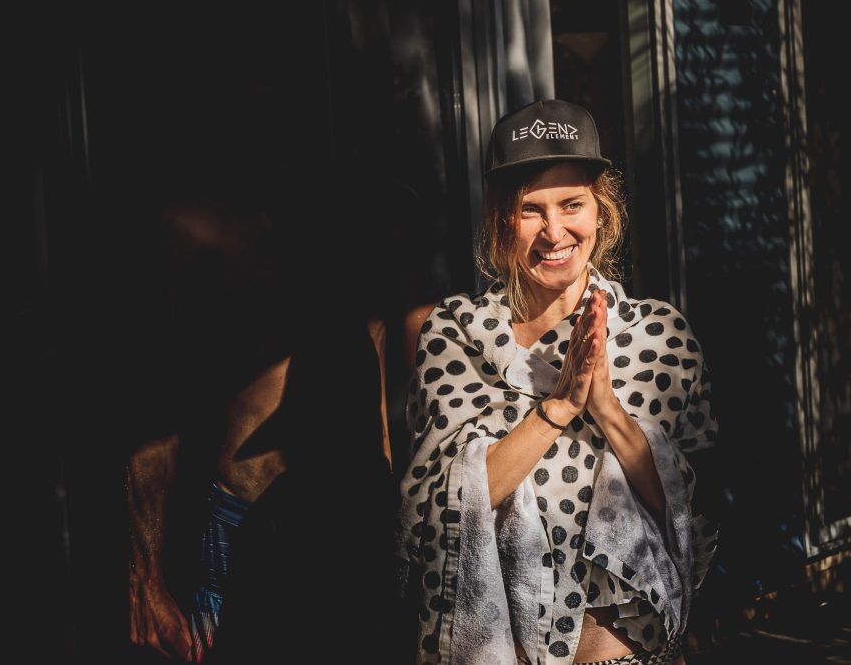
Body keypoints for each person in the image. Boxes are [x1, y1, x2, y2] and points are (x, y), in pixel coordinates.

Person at [397, 99, 718, 665]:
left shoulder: (657, 335)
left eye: (572, 204)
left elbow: (687, 511)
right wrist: (561, 406)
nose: (554, 232)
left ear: (601, 210)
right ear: (501, 216)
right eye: (530, 209)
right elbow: (438, 510)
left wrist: (608, 409)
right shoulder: (455, 333)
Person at [127, 198, 399, 663]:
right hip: (241, 538)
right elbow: (153, 434)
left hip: (346, 545)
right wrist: (146, 580)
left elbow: (379, 433)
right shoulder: (215, 246)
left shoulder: (361, 267)